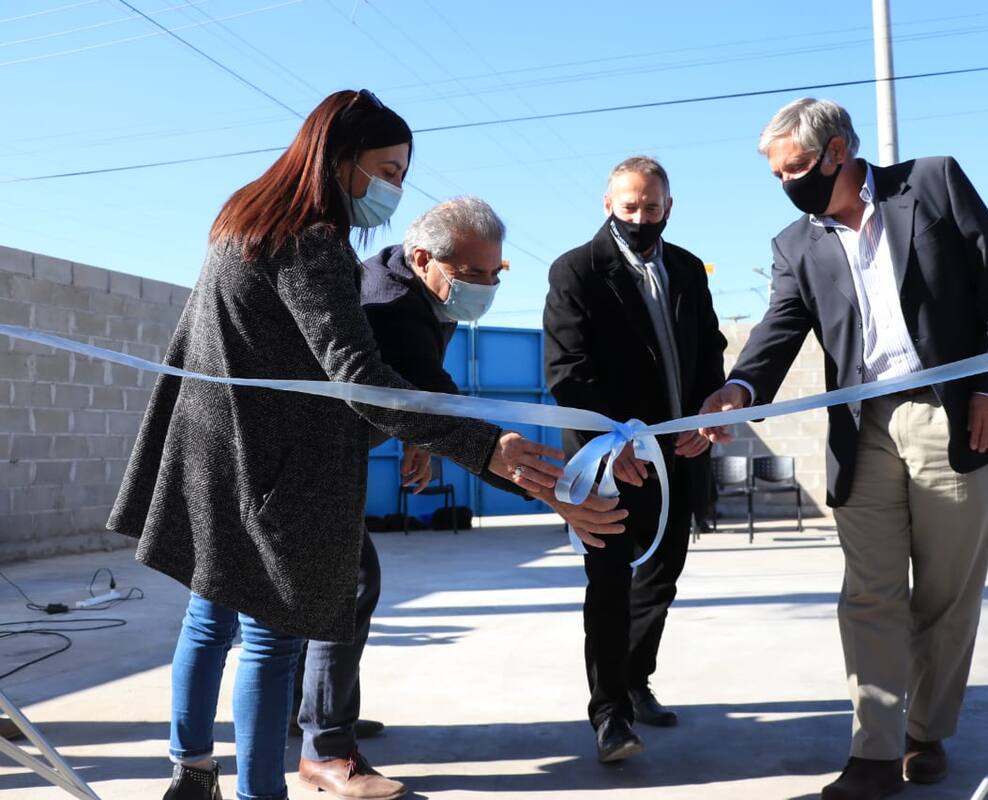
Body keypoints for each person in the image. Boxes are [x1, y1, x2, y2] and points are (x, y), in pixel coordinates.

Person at [107, 90, 615, 800]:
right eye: (387, 169)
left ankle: (191, 771)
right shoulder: (311, 239)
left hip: (211, 449)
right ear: (338, 157)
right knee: (272, 637)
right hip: (273, 463)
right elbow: (356, 375)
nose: (394, 188)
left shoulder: (243, 217)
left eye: (403, 173)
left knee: (209, 616)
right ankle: (263, 792)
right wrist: (484, 449)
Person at [698, 99, 988, 800]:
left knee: (945, 592)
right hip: (861, 426)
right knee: (870, 592)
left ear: (839, 151)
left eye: (797, 169)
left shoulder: (933, 183)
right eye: (777, 175)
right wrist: (737, 388)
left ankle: (924, 735)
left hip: (955, 414)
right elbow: (779, 330)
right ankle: (874, 752)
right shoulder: (795, 244)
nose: (789, 184)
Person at [293, 196, 627, 799]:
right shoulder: (390, 303)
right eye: (476, 274)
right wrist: (547, 488)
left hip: (334, 447)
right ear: (425, 258)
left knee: (336, 588)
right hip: (303, 457)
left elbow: (421, 388)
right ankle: (325, 745)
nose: (488, 286)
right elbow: (431, 396)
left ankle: (315, 713)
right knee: (342, 589)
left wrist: (419, 437)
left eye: (497, 273)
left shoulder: (423, 289)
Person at [543, 156, 727, 762]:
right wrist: (613, 441)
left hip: (679, 456)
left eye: (651, 208)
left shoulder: (687, 270)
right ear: (608, 206)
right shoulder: (576, 271)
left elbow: (710, 349)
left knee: (661, 579)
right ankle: (610, 716)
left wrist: (708, 412)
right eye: (629, 207)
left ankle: (635, 679)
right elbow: (567, 373)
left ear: (668, 208)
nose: (640, 218)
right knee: (609, 584)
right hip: (608, 460)